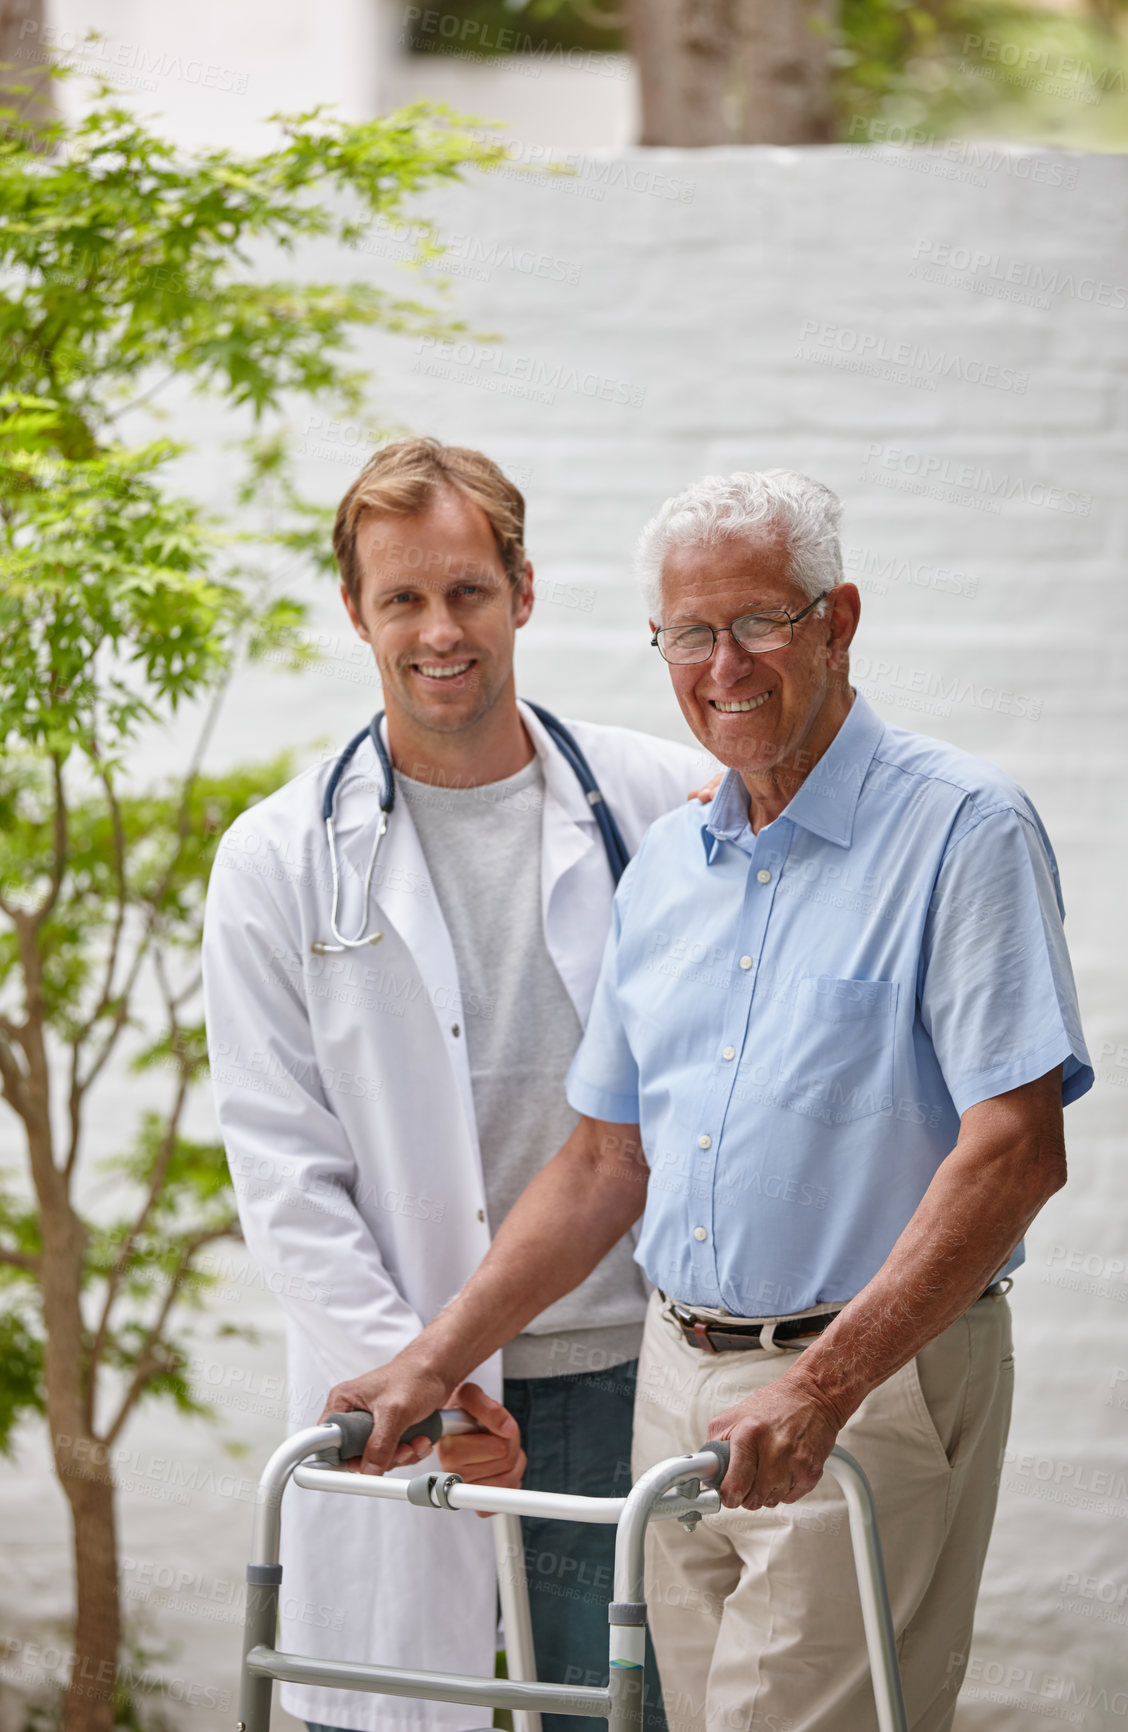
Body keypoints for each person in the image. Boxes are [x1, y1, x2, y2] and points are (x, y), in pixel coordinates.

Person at [325, 468, 1094, 1732]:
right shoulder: (671, 863)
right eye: (688, 633)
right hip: (672, 1374)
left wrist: (823, 1387)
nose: (720, 664)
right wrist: (428, 1361)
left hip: (863, 1383)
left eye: (756, 622)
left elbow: (1014, 1152)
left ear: (835, 621)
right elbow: (598, 1164)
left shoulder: (963, 830)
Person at [203, 438, 711, 1732]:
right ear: (355, 612)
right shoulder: (276, 859)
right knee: (385, 1707)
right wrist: (416, 1377)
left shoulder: (660, 805)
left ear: (523, 591)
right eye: (402, 599)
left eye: (468, 593)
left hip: (617, 1366)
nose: (439, 630)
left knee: (621, 1715)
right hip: (401, 1380)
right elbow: (282, 1168)